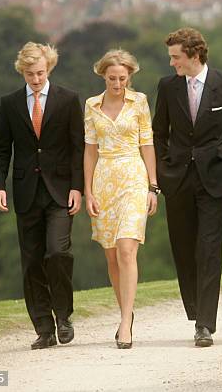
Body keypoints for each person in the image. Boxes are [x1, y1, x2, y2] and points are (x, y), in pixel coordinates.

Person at [153, 27, 222, 347]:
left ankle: (205, 324)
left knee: (209, 249)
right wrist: (163, 171)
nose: (172, 63)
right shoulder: (167, 87)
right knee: (184, 247)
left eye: (176, 57)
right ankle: (195, 310)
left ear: (194, 55)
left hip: (214, 179)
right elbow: (158, 133)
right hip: (177, 180)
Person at [0, 42, 83, 350]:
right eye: (30, 73)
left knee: (57, 252)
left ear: (50, 68)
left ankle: (63, 316)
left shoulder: (68, 100)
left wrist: (77, 187)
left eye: (40, 72)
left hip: (60, 191)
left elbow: (77, 148)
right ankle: (43, 328)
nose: (36, 78)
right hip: (26, 192)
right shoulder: (11, 102)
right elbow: (1, 150)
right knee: (31, 262)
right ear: (22, 72)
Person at [83, 49, 158, 349]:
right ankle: (125, 311)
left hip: (133, 178)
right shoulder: (91, 105)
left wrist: (153, 186)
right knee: (112, 255)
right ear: (103, 75)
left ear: (130, 76)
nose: (117, 84)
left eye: (122, 79)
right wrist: (88, 190)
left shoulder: (139, 101)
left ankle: (125, 322)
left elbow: (147, 144)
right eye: (112, 78)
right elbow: (89, 150)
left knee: (127, 249)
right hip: (103, 180)